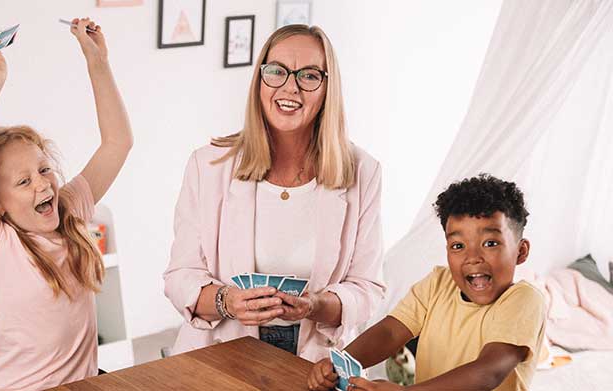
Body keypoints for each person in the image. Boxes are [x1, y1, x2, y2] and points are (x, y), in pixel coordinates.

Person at [163, 24, 385, 361]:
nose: (290, 87)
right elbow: (180, 277)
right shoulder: (208, 166)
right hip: (220, 355)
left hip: (314, 362)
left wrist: (315, 305)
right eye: (277, 71)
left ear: (328, 88)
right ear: (260, 80)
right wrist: (227, 301)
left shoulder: (363, 171)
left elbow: (367, 288)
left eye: (309, 76)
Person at [0, 18, 132, 391]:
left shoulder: (70, 209)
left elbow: (117, 142)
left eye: (43, 169)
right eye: (23, 181)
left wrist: (97, 61)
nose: (42, 184)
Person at [307, 174, 546, 391]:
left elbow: (488, 372)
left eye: (490, 243)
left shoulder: (524, 300)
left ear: (521, 251)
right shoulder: (438, 283)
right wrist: (340, 362)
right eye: (458, 246)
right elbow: (390, 332)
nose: (473, 257)